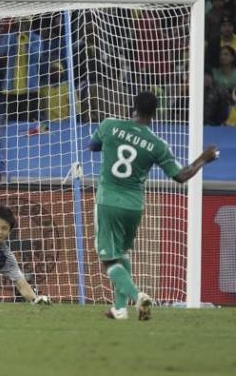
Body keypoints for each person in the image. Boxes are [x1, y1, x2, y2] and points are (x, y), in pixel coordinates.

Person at [89, 91, 219, 321]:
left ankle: (137, 296)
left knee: (108, 259)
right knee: (122, 253)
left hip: (108, 200)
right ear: (154, 113)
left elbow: (93, 146)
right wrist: (203, 159)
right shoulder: (157, 144)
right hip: (134, 206)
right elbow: (181, 175)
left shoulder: (109, 125)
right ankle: (120, 309)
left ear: (132, 107)